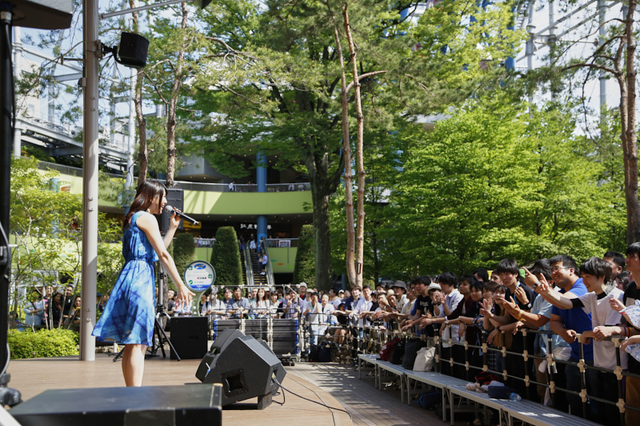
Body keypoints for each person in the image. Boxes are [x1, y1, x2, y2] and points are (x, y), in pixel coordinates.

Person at [92, 180, 194, 387]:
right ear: (152, 197)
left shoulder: (135, 217)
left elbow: (155, 253)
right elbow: (163, 255)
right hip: (140, 278)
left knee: (133, 342)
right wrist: (180, 285)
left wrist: (172, 229)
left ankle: (132, 390)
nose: (165, 201)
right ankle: (135, 392)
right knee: (138, 342)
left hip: (132, 275)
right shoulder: (146, 217)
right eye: (162, 197)